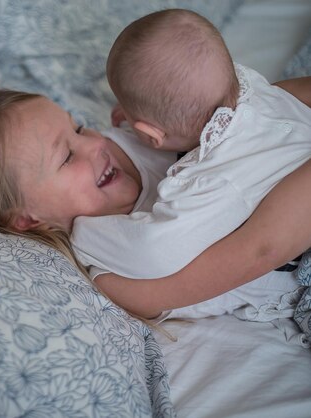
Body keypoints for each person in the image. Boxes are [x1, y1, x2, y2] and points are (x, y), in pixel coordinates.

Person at [0, 82, 311, 322]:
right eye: (65, 158)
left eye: (78, 127)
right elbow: (261, 247)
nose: (94, 146)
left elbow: (256, 103)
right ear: (26, 220)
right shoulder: (122, 276)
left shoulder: (136, 135)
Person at [70, 9, 311, 319]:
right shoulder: (259, 89)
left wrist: (83, 235)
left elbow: (154, 250)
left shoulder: (208, 181)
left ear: (151, 135)